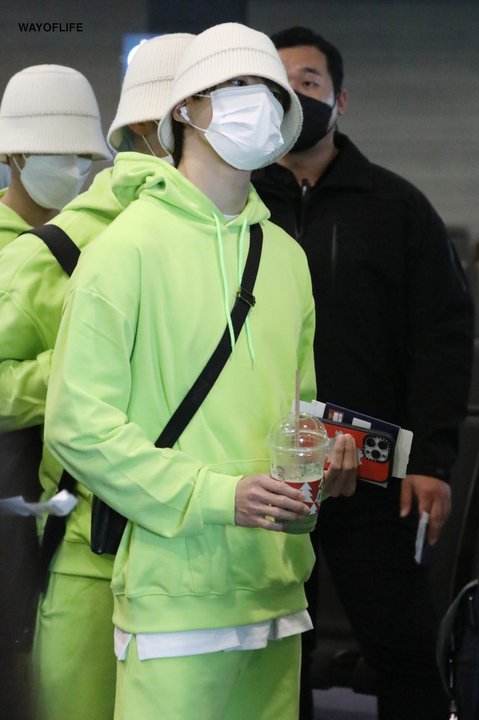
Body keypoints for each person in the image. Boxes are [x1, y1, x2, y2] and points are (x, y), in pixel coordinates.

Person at [44, 22, 357, 720]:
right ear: (185, 106)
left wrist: (324, 457)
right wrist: (218, 495)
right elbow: (77, 424)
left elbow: (298, 411)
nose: (259, 101)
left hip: (277, 591)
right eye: (236, 84)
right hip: (175, 599)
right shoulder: (126, 248)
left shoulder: (286, 256)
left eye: (271, 91)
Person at [252, 26, 474, 720]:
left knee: (403, 647)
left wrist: (432, 460)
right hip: (264, 467)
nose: (295, 97)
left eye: (309, 83)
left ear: (340, 98)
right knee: (277, 647)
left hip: (374, 470)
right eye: (280, 85)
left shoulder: (396, 207)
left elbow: (442, 338)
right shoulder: (239, 203)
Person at [0, 34, 193, 720]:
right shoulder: (38, 254)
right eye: (59, 156)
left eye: (86, 158)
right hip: (29, 504)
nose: (77, 171)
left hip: (104, 500)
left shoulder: (114, 235)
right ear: (12, 156)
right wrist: (80, 368)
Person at [0, 64, 111, 251]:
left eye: (83, 154)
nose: (73, 170)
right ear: (15, 153)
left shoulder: (91, 236)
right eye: (56, 152)